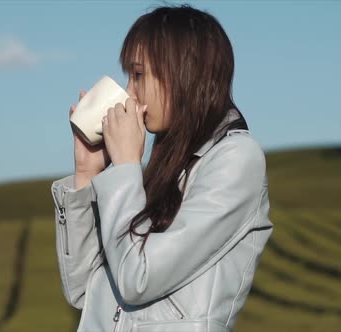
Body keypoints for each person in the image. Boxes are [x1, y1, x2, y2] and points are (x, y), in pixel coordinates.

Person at [50, 4, 272, 332]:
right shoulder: (164, 164)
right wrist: (87, 173)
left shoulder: (236, 160)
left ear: (184, 72)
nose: (129, 92)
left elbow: (138, 279)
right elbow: (84, 290)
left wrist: (126, 166)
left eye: (138, 75)